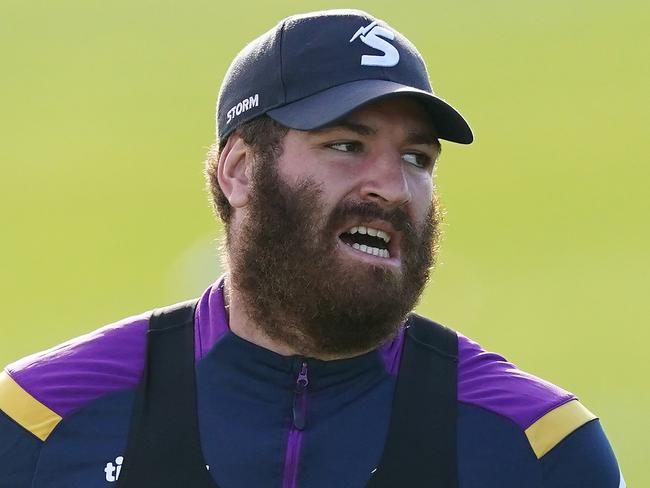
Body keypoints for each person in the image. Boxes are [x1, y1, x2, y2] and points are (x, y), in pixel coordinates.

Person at [0, 9, 624, 488]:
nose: (393, 186)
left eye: (416, 158)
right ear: (239, 170)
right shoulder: (39, 422)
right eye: (346, 146)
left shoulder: (540, 447)